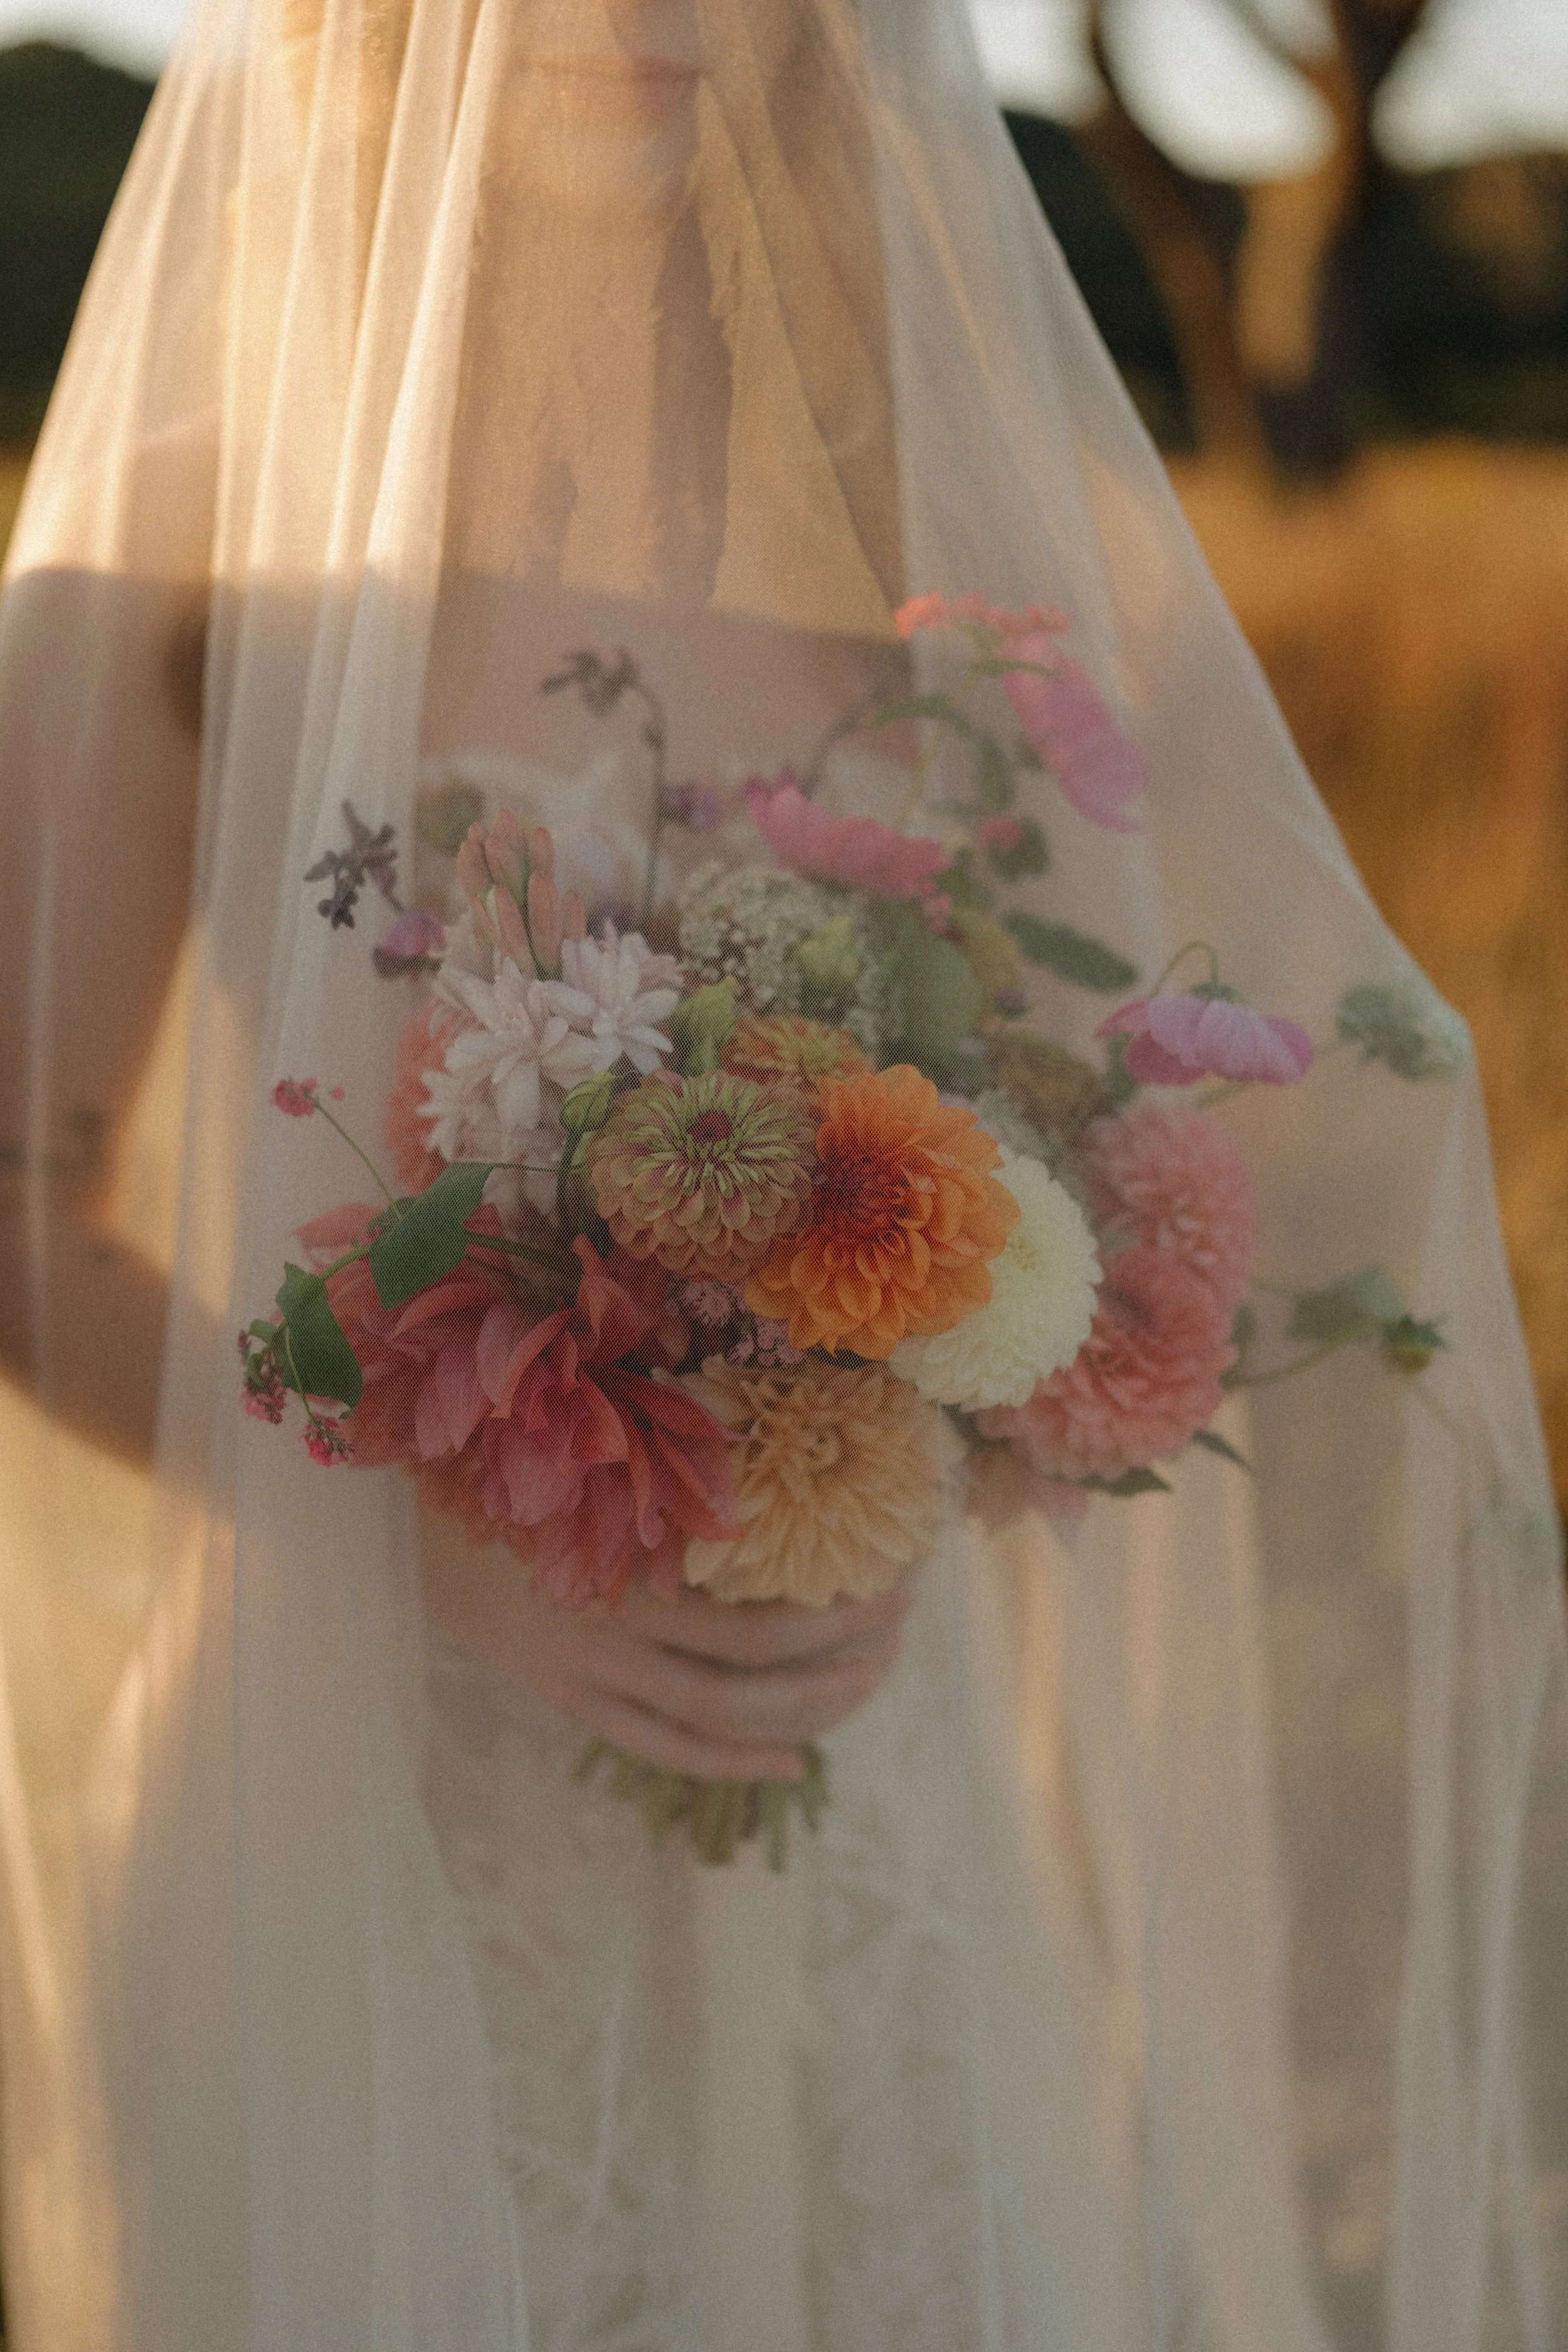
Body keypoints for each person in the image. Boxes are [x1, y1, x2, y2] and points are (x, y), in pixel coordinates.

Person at [0, 2, 1562, 2347]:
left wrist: (954, 1453)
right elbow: (24, 1197)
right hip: (375, 1820)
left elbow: (1055, 1171)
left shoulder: (929, 547)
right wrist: (433, 1553)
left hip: (867, 1842)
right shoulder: (199, 535)